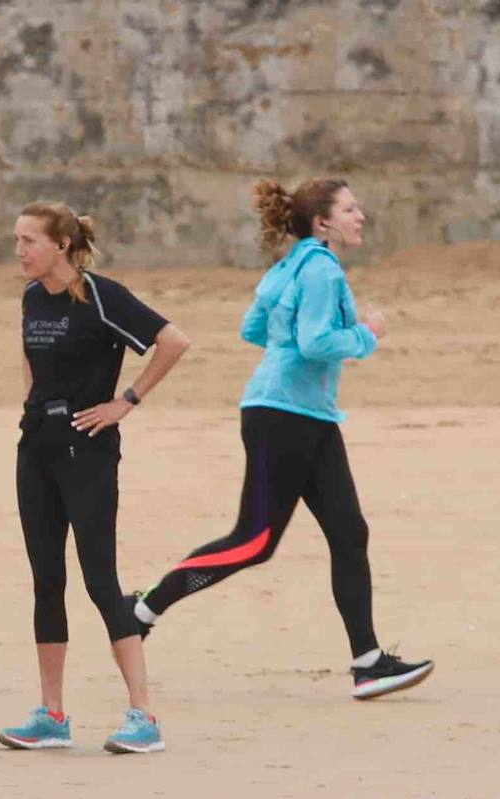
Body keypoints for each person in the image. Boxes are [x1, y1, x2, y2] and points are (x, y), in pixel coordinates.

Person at [130, 179, 433, 700]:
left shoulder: (289, 265)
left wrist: (299, 338)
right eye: (350, 208)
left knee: (348, 531)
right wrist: (367, 333)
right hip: (284, 416)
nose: (360, 216)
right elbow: (316, 344)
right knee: (254, 541)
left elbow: (254, 329)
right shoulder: (320, 268)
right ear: (323, 223)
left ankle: (368, 663)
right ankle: (139, 610)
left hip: (304, 414)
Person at [0, 202, 190, 753]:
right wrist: (34, 405)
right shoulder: (33, 297)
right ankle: (52, 715)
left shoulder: (102, 296)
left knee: (99, 579)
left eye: (29, 240)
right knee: (46, 579)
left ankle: (143, 717)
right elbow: (31, 356)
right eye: (17, 240)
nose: (20, 251)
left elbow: (174, 341)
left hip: (88, 451)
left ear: (61, 244)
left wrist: (124, 401)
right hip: (36, 448)